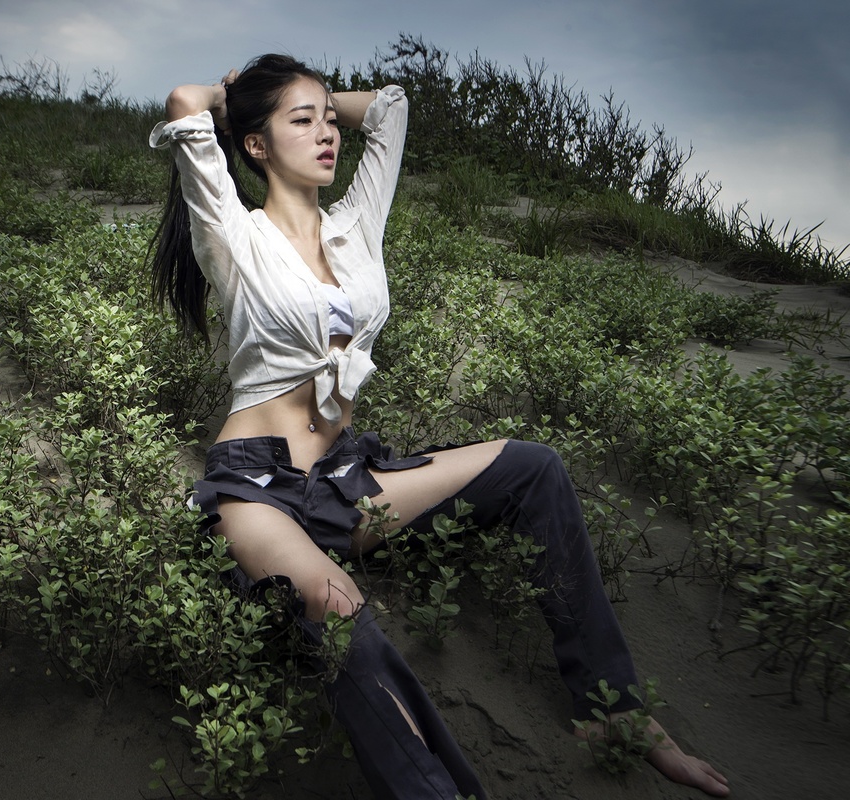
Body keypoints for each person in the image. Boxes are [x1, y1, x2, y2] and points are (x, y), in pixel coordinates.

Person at [148, 53, 729, 799]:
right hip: (259, 489)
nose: (328, 133)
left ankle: (612, 710)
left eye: (330, 119)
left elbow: (390, 108)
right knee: (340, 610)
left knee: (533, 466)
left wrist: (314, 97)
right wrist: (234, 100)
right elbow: (182, 102)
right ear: (255, 145)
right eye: (304, 122)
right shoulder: (233, 232)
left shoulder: (355, 225)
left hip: (345, 480)